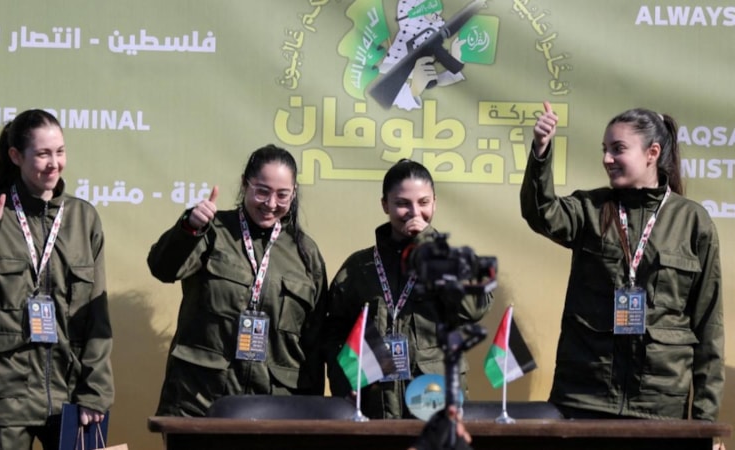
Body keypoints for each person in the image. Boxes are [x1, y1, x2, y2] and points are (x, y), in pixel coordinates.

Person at [520, 101, 724, 421]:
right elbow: (542, 213)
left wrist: (704, 421)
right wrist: (541, 150)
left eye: (618, 149)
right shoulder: (589, 209)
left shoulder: (693, 221)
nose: (607, 159)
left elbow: (709, 326)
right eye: (605, 149)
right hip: (584, 397)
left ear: (652, 153)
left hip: (659, 405)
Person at [0, 109, 114, 449]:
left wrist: (95, 391)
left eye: (60, 151)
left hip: (70, 396)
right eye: (43, 153)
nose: (54, 163)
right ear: (16, 156)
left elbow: (97, 315)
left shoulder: (84, 219)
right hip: (3, 400)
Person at [148, 144, 328, 417]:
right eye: (262, 191)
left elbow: (315, 342)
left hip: (274, 409)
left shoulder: (305, 253)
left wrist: (309, 414)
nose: (271, 204)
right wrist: (189, 227)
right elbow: (163, 268)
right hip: (199, 402)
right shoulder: (212, 232)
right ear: (245, 184)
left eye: (282, 195)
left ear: (293, 194)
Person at [326, 159, 493, 419]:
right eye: (403, 203)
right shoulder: (359, 266)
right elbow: (334, 332)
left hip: (435, 404)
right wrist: (343, 383)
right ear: (385, 205)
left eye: (423, 202)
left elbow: (474, 309)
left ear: (435, 202)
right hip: (375, 405)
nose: (415, 213)